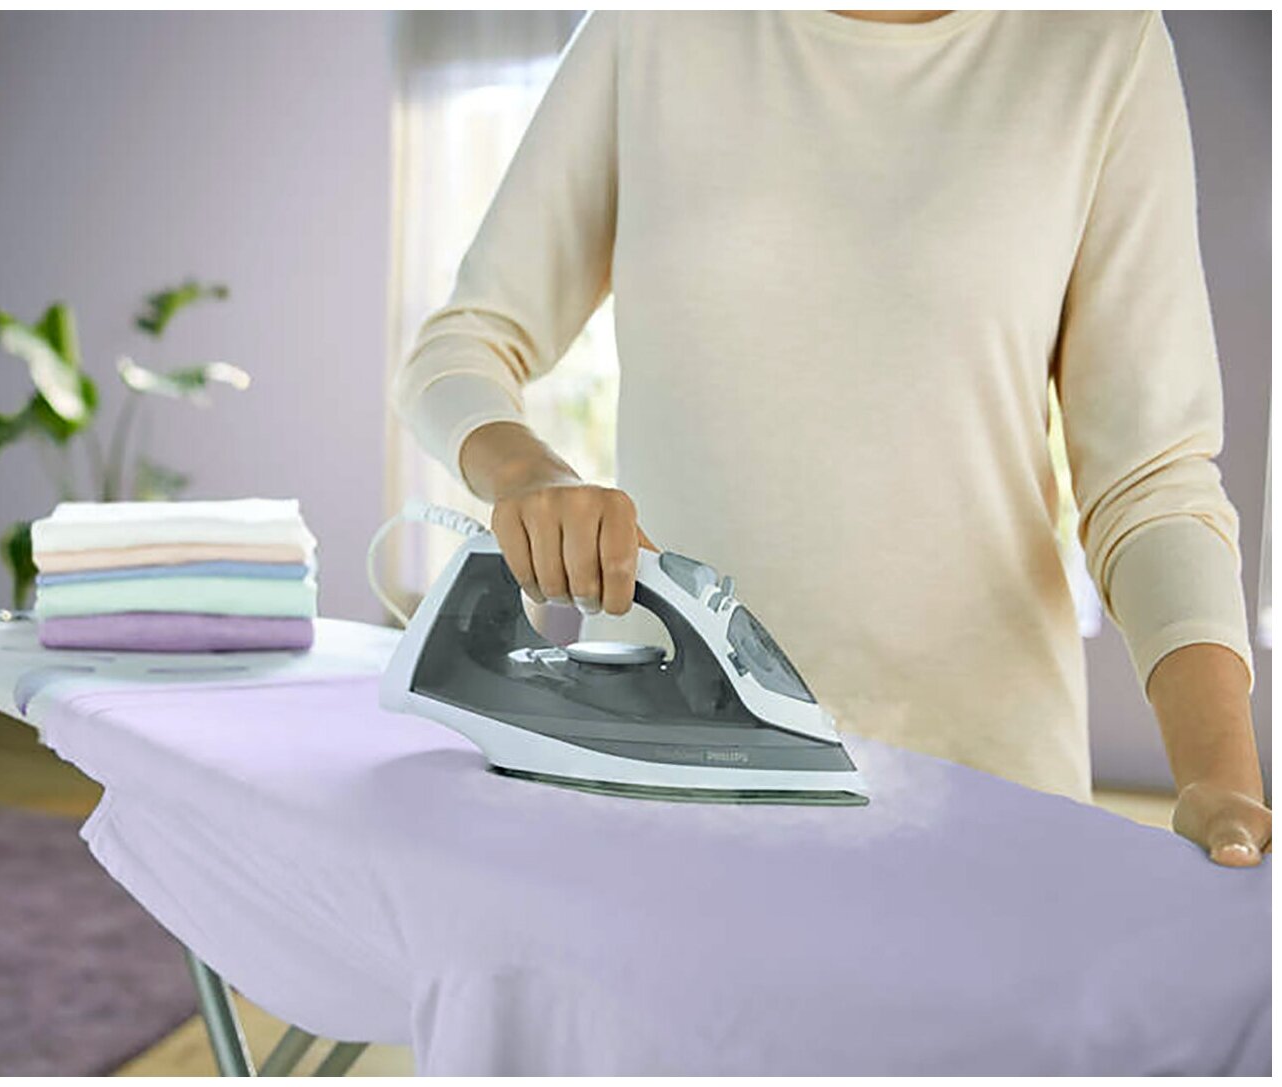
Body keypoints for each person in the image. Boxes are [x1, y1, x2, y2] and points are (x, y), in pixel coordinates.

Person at [392, 11, 1270, 865]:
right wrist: (529, 473)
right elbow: (463, 343)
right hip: (671, 776)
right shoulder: (652, 29)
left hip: (988, 783)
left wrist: (1221, 778)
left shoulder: (1102, 43)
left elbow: (1151, 479)